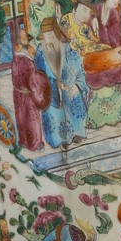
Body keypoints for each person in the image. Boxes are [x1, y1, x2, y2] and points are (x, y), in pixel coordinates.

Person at [35, 13, 89, 155]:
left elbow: (79, 70)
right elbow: (38, 75)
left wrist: (76, 85)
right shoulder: (40, 52)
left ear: (56, 34)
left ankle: (76, 133)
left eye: (50, 35)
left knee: (73, 97)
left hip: (68, 88)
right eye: (45, 36)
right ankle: (60, 140)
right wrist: (54, 83)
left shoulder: (67, 49)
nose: (48, 39)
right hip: (51, 90)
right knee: (53, 111)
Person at [10, 30, 51, 155]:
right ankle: (36, 143)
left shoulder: (16, 60)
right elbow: (33, 82)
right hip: (28, 94)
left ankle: (23, 141)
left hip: (18, 94)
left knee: (21, 117)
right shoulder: (28, 63)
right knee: (32, 119)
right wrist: (39, 95)